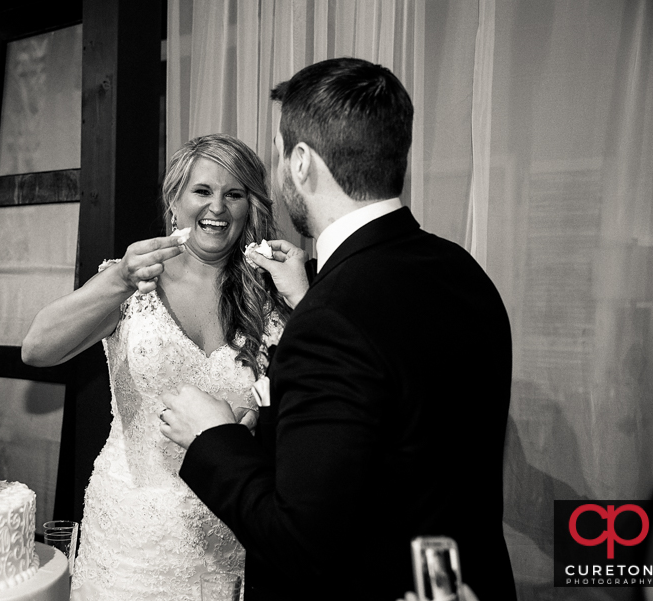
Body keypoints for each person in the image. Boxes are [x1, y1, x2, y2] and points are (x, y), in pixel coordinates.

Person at [160, 58, 517, 601]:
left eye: (281, 155)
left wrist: (214, 437)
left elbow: (301, 543)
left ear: (300, 162)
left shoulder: (332, 317)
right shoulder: (460, 271)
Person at [21, 133, 303, 600]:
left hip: (230, 528)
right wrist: (119, 279)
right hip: (130, 539)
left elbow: (313, 400)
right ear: (174, 200)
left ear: (249, 207)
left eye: (234, 194)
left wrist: (258, 422)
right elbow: (37, 348)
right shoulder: (134, 279)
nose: (218, 207)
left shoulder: (269, 296)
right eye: (202, 191)